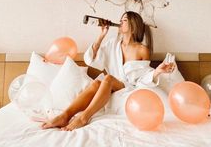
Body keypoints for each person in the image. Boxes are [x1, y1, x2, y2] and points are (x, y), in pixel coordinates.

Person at [42, 11, 175, 131]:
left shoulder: (142, 49)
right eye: (121, 20)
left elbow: (142, 75)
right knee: (95, 84)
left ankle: (84, 117)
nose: (120, 22)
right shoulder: (113, 44)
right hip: (113, 84)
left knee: (108, 79)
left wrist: (157, 71)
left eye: (124, 20)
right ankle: (65, 115)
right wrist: (102, 35)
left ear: (134, 26)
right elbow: (92, 60)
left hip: (130, 86)